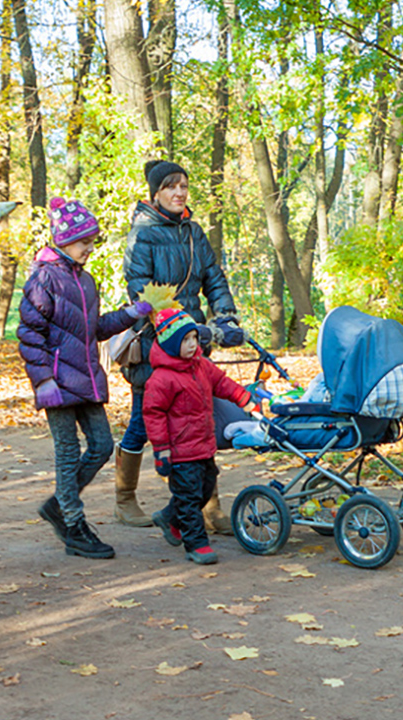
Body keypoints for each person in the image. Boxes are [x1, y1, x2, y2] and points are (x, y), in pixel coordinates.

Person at [116, 160, 246, 533]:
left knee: (202, 419)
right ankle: (124, 500)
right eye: (171, 187)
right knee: (144, 421)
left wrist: (224, 316)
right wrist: (180, 327)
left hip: (195, 343)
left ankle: (209, 507)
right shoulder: (142, 235)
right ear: (156, 193)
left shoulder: (193, 231)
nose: (179, 193)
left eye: (184, 186)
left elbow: (214, 277)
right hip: (158, 342)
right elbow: (140, 290)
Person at [18, 198, 151, 559]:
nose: (90, 249)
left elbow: (94, 329)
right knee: (67, 451)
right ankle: (73, 525)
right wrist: (43, 380)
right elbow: (30, 334)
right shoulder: (44, 278)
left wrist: (130, 314)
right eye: (84, 242)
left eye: (92, 242)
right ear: (63, 240)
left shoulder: (85, 280)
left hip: (87, 380)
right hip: (57, 384)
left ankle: (59, 504)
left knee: (102, 446)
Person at [142, 309, 255, 564]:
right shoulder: (161, 379)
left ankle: (170, 517)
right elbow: (153, 414)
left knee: (204, 488)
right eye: (185, 340)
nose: (193, 344)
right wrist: (162, 450)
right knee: (190, 497)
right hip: (180, 450)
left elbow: (222, 383)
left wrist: (242, 397)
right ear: (171, 344)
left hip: (203, 444)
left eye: (194, 337)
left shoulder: (202, 366)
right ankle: (196, 543)